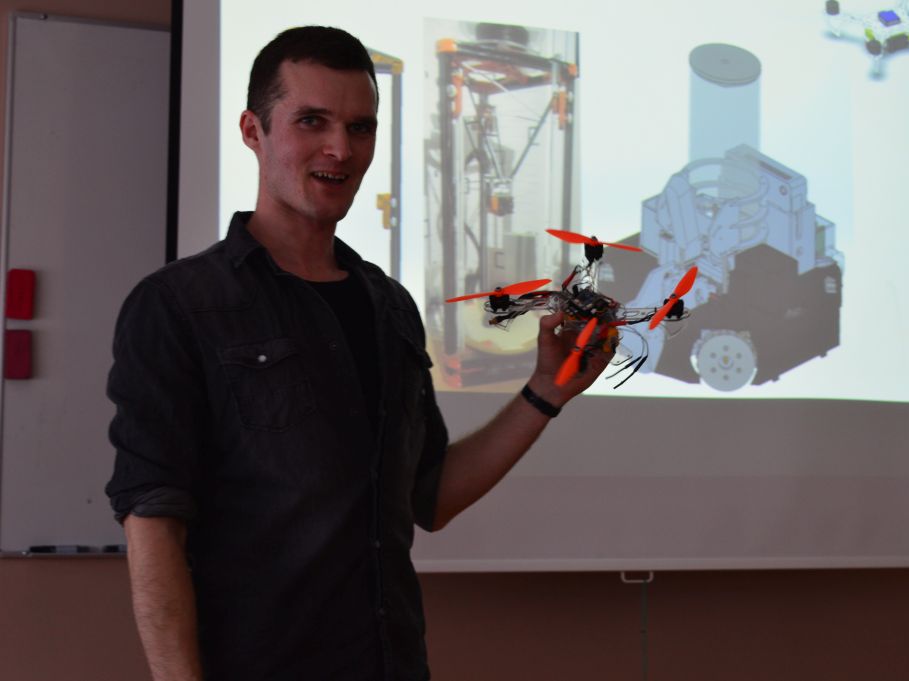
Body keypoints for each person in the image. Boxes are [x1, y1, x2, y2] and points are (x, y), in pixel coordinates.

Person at [105, 26, 607, 681]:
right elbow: (153, 523)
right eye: (311, 121)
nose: (340, 149)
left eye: (360, 127)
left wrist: (545, 391)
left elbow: (429, 497)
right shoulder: (177, 305)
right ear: (253, 131)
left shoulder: (389, 306)